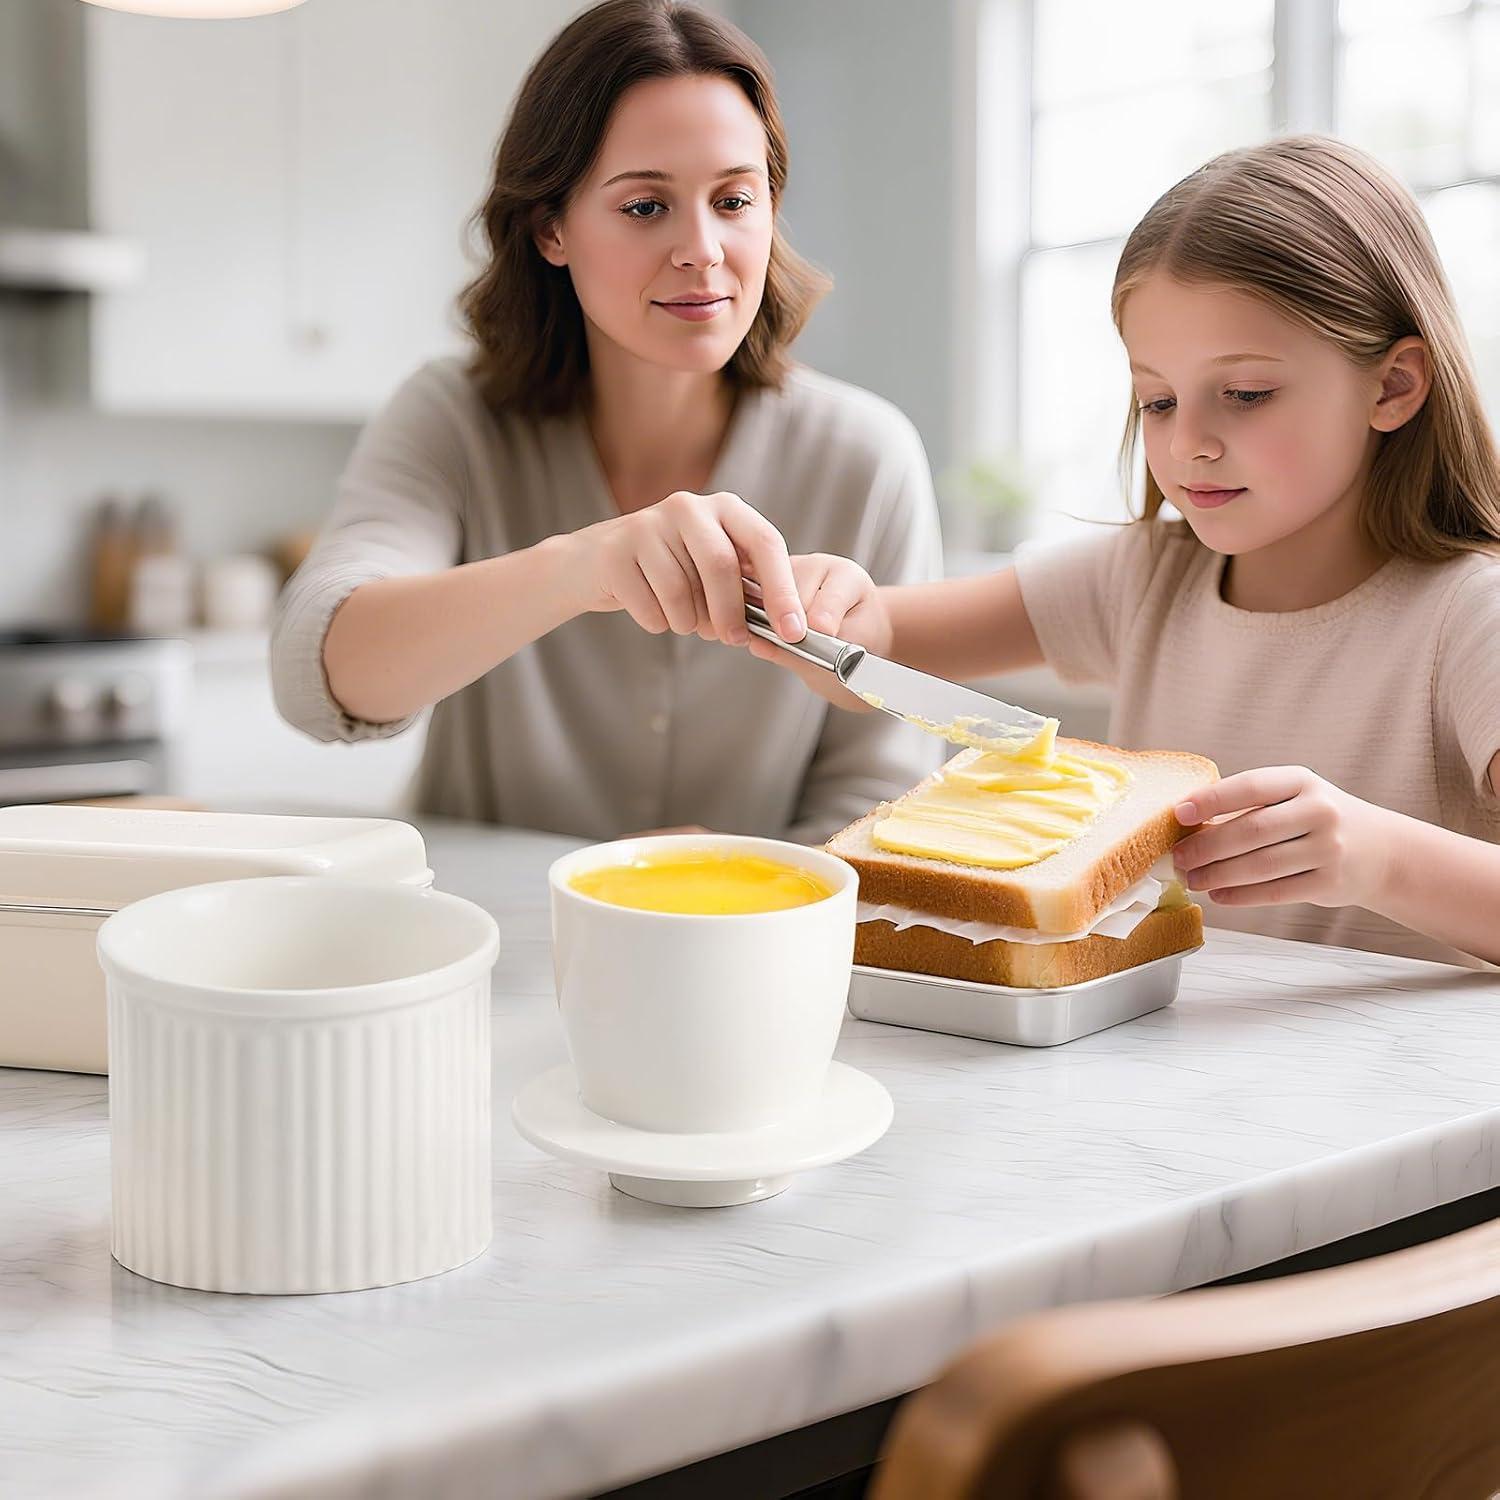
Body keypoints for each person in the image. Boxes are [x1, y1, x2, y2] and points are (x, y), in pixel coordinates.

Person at [751, 136, 1500, 967]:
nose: (1187, 445)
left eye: (1245, 394)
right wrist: (813, 603)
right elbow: (879, 646)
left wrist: (1382, 859)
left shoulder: (1471, 618)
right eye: (1159, 401)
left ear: (1394, 385)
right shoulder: (1145, 577)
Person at [272, 0, 941, 842]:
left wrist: (732, 898)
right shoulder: (453, 418)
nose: (702, 249)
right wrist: (579, 568)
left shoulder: (867, 456)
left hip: (766, 923)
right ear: (551, 227)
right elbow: (314, 682)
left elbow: (881, 788)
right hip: (478, 919)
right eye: (645, 207)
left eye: (734, 199)